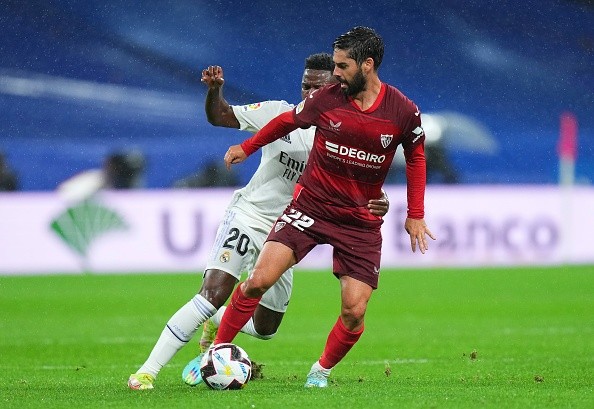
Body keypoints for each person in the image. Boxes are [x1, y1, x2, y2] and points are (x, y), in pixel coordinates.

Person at [127, 53, 390, 390]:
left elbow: (364, 182)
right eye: (305, 85)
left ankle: (217, 323)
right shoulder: (278, 113)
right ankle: (147, 371)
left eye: (317, 86)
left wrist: (381, 199)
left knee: (266, 327)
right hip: (249, 216)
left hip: (291, 228)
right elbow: (220, 116)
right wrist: (214, 91)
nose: (309, 92)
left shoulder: (346, 129)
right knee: (213, 293)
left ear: (336, 87)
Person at [214, 26, 436, 388]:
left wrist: (415, 213)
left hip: (359, 221)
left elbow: (416, 156)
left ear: (367, 65)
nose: (335, 73)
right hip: (311, 207)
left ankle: (321, 371)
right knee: (257, 282)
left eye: (342, 66)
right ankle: (217, 352)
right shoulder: (328, 98)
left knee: (354, 310)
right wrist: (248, 146)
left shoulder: (402, 111)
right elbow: (287, 120)